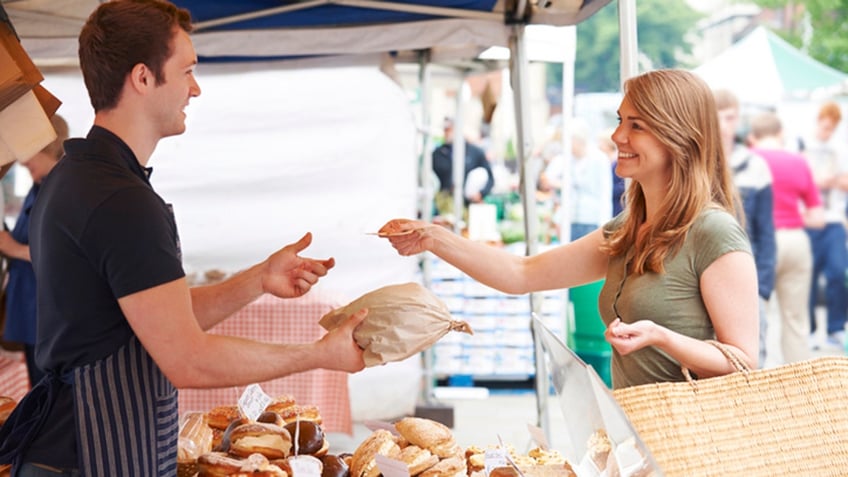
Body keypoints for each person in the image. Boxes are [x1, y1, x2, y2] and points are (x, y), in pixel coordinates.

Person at [0, 1, 367, 475]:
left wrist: (259, 278)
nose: (195, 88)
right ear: (143, 78)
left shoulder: (79, 175)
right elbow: (189, 359)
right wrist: (320, 354)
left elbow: (159, 320)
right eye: (187, 70)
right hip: (90, 453)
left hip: (78, 447)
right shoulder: (119, 199)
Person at [380, 69, 759, 389]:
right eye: (620, 120)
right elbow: (522, 273)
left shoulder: (713, 232)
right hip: (637, 437)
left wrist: (663, 338)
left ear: (679, 136)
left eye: (636, 125)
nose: (617, 136)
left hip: (691, 447)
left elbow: (744, 363)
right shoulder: (627, 229)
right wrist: (433, 237)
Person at [748, 111, 825, 365]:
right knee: (795, 321)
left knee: (755, 319)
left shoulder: (748, 161)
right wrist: (792, 215)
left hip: (758, 245)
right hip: (795, 241)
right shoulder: (799, 162)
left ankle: (755, 385)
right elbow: (817, 217)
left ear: (753, 138)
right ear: (781, 134)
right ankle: (799, 386)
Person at [0, 114, 69, 388]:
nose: (23, 162)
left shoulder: (62, 188)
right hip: (30, 310)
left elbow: (60, 254)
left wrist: (11, 247)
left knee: (50, 394)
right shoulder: (39, 185)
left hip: (46, 314)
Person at [713, 89, 776, 368]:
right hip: (707, 276)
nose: (729, 125)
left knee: (749, 361)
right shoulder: (697, 165)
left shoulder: (755, 165)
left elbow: (766, 230)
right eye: (724, 118)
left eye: (734, 118)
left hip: (748, 277)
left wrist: (762, 287)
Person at [799, 101, 848, 349]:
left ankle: (835, 328)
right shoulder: (801, 146)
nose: (826, 132)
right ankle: (809, 330)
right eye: (824, 126)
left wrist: (835, 181)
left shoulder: (840, 150)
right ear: (817, 121)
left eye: (832, 128)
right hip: (808, 220)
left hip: (834, 220)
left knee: (838, 273)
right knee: (808, 276)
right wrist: (816, 182)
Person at [539, 119, 613, 240]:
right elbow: (546, 179)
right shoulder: (563, 159)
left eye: (570, 141)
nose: (567, 145)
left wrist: (604, 224)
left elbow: (605, 193)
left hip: (592, 220)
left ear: (580, 140)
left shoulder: (599, 159)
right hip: (569, 219)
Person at [432, 117, 494, 216]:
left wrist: (480, 194)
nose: (446, 133)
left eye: (449, 129)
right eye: (445, 130)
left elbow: (490, 178)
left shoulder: (475, 152)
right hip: (444, 205)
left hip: (469, 206)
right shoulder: (437, 154)